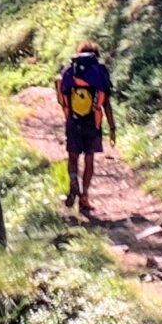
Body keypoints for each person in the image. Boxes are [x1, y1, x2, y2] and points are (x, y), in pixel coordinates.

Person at [55, 39, 116, 218]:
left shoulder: (69, 71)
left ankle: (73, 180)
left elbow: (62, 97)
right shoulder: (99, 72)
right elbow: (107, 104)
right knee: (89, 160)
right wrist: (112, 128)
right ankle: (85, 197)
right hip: (93, 123)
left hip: (73, 121)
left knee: (73, 157)